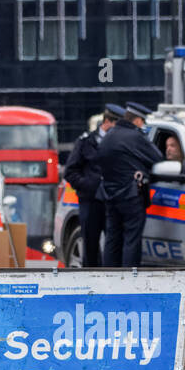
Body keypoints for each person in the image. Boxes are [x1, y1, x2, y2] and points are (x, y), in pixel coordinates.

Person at [98, 101, 162, 267]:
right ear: (138, 121)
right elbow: (157, 157)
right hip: (131, 196)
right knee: (131, 239)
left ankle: (110, 277)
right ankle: (129, 278)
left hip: (110, 195)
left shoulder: (109, 136)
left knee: (112, 238)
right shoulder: (135, 136)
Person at [63, 104, 121, 266]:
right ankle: (90, 277)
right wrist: (87, 185)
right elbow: (70, 171)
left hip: (112, 200)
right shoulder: (85, 141)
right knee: (89, 241)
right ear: (108, 122)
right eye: (117, 124)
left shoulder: (118, 143)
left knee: (113, 243)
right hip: (90, 200)